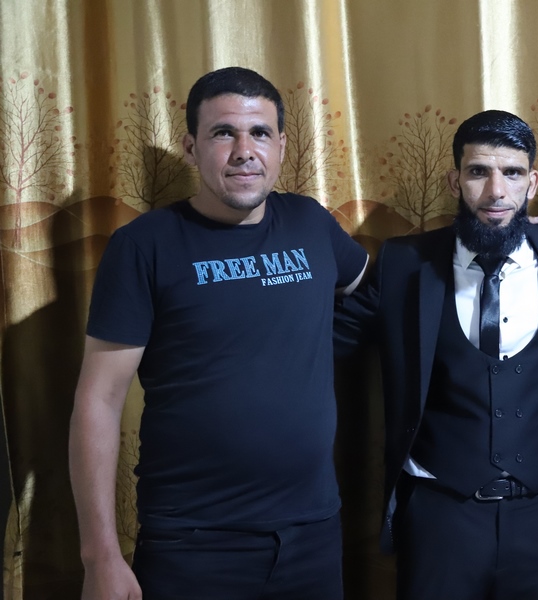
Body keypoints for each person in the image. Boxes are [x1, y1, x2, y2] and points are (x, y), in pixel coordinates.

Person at [68, 67, 368, 600]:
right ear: (191, 147)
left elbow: (371, 293)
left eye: (260, 133)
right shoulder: (144, 245)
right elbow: (99, 400)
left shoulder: (310, 223)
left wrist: (320, 344)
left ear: (281, 146)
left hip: (313, 535)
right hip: (192, 543)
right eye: (223, 133)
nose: (244, 151)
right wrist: (100, 557)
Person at [334, 110, 538, 600]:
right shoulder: (404, 263)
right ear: (454, 180)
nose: (496, 192)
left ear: (532, 183)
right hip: (439, 517)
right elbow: (327, 340)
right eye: (478, 172)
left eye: (512, 173)